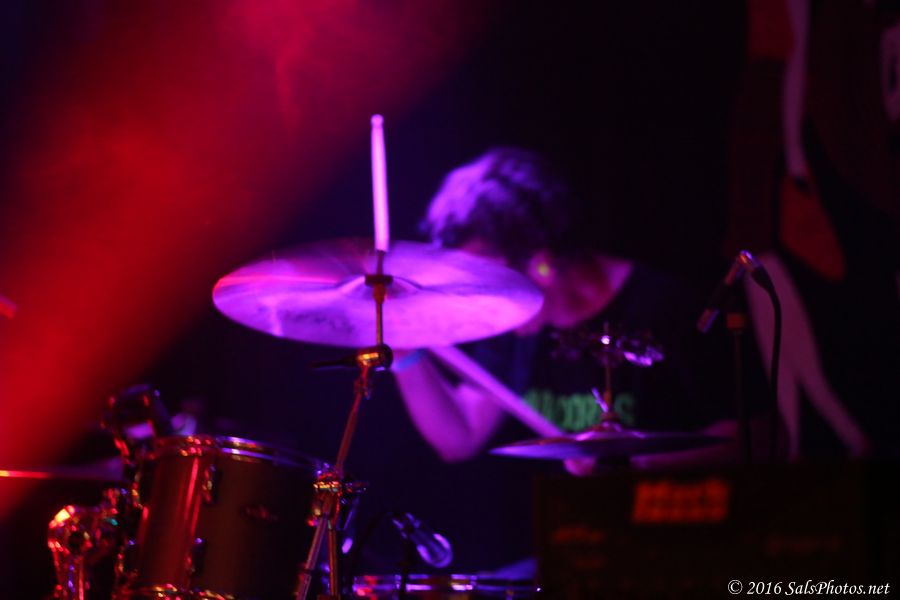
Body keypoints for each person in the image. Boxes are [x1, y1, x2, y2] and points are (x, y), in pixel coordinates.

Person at [393, 147, 749, 470]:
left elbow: (753, 435)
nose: (478, 298)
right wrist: (405, 353)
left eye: (488, 280)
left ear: (541, 264)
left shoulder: (665, 307)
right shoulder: (511, 328)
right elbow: (460, 438)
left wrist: (637, 467)